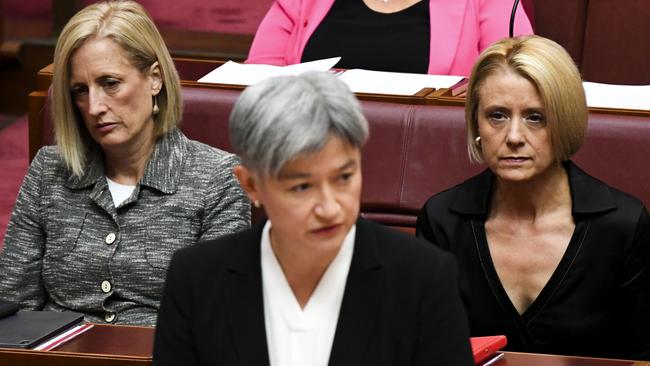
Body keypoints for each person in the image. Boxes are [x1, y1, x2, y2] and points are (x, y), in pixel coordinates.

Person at [153, 72, 474, 366]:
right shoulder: (196, 279)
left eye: (344, 178)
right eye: (302, 186)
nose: (329, 207)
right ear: (251, 185)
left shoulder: (423, 279)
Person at [0, 1, 250, 326]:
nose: (94, 107)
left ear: (155, 80)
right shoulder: (51, 169)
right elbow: (11, 305)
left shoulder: (217, 178)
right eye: (80, 90)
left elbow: (216, 317)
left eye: (110, 83)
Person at [416, 35, 650, 360]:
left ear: (565, 120)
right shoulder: (442, 220)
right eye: (497, 115)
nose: (513, 137)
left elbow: (642, 356)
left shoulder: (622, 225)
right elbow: (426, 349)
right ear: (476, 122)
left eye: (535, 117)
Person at [246, 0, 533, 75]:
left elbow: (520, 78)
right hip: (302, 158)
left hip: (433, 158)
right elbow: (254, 84)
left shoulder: (490, 2)